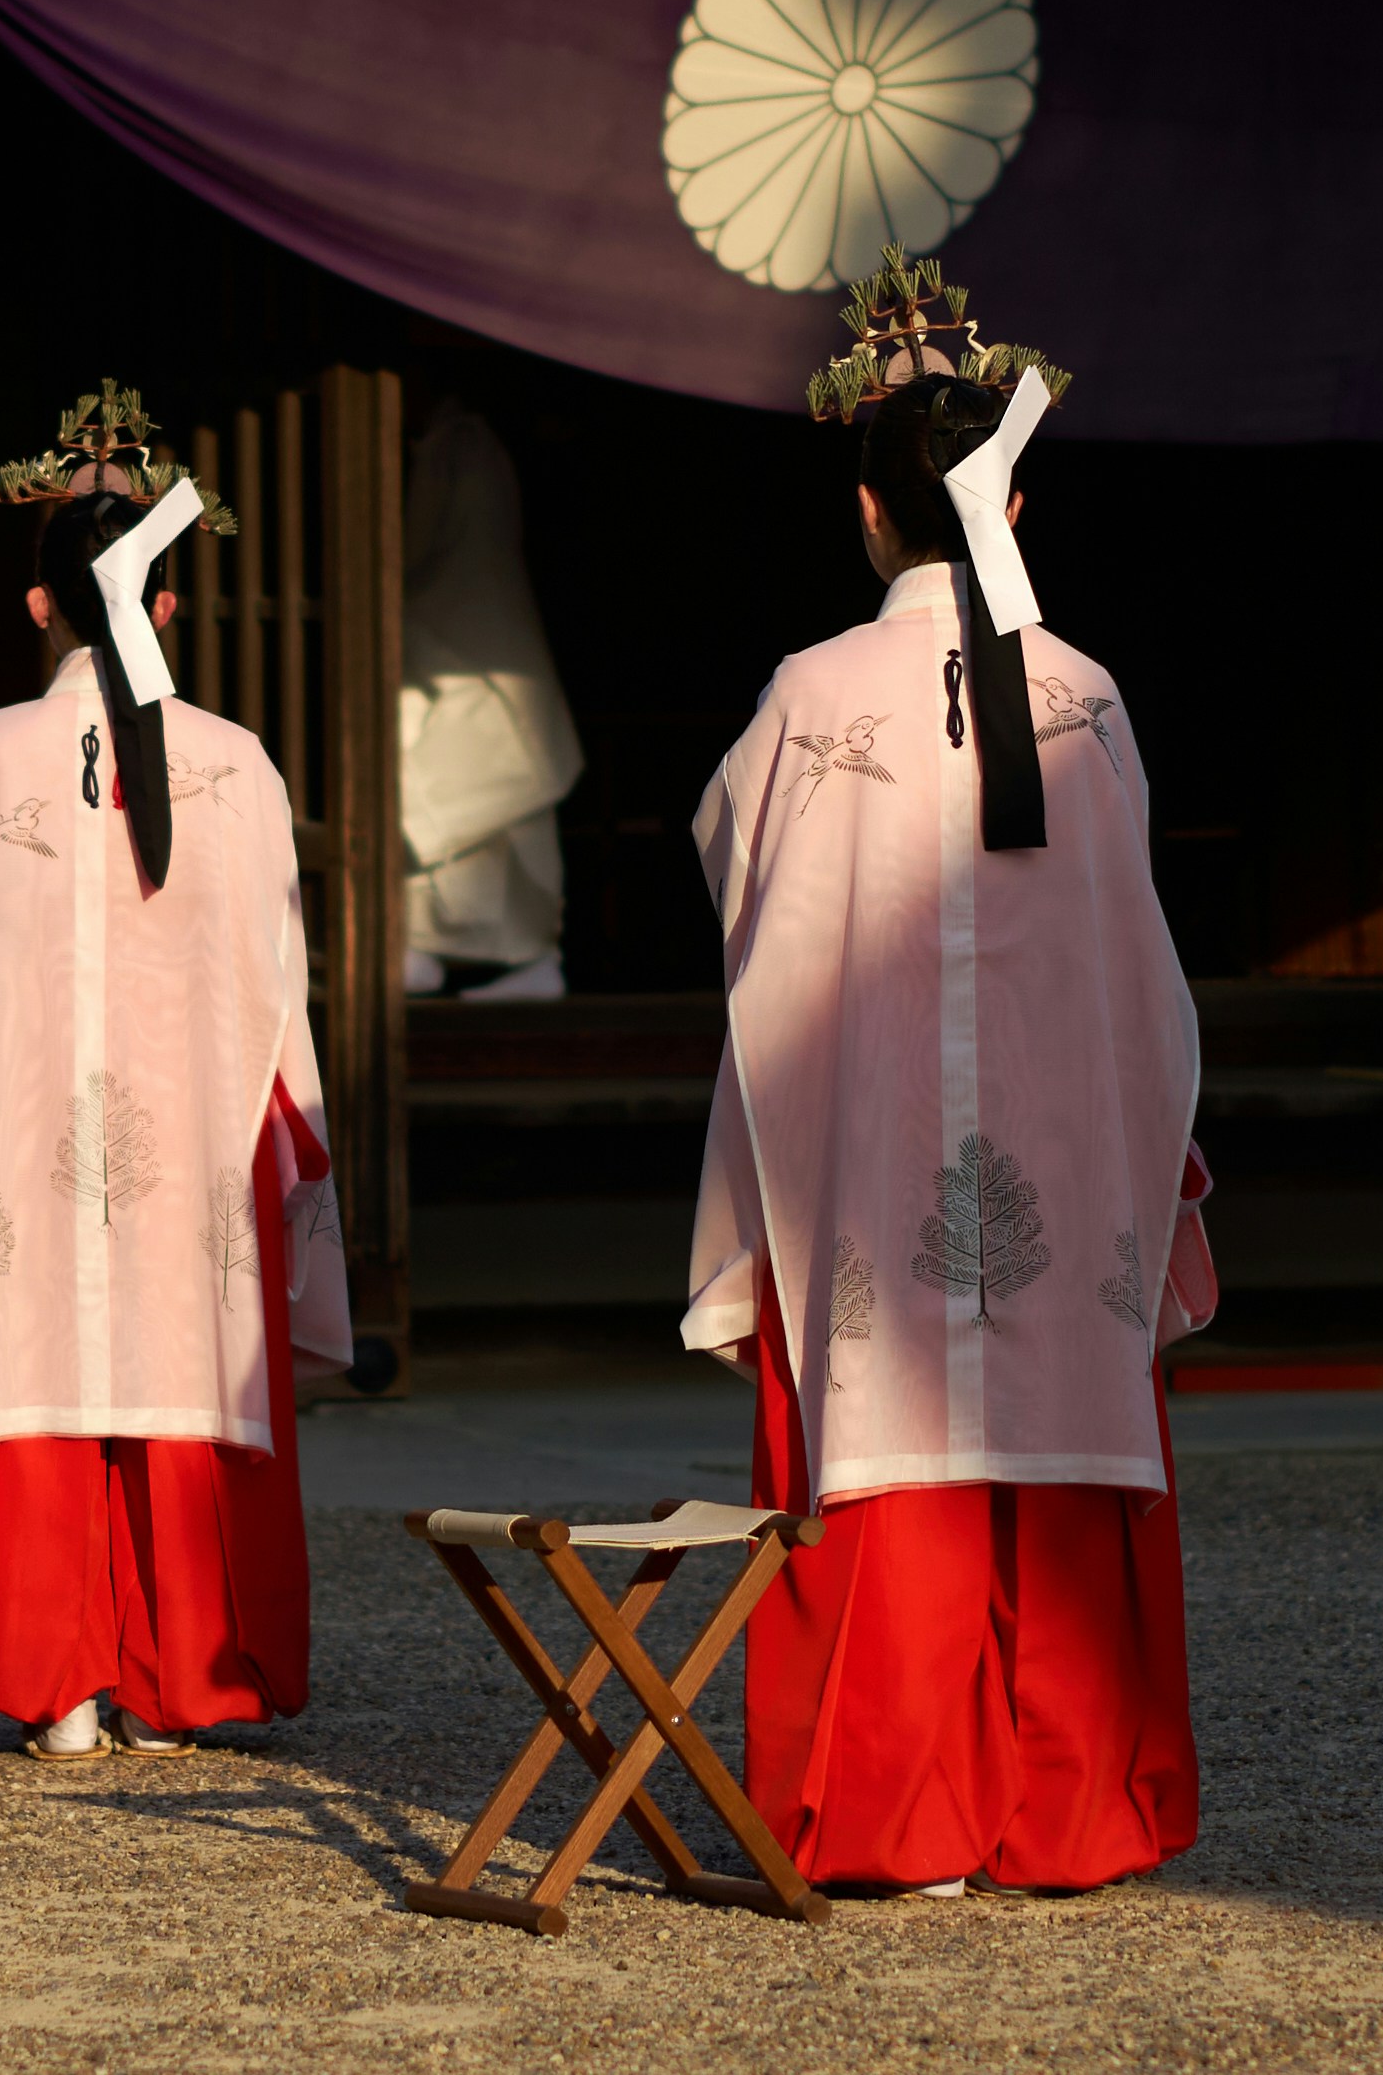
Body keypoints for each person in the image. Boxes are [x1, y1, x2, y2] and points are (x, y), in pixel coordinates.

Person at [685, 250, 1212, 1898]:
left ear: (864, 510)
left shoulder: (810, 698)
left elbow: (737, 888)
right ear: (1012, 511)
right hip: (1057, 1160)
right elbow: (1138, 966)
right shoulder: (1086, 699)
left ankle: (893, 1813)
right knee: (1051, 1395)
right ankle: (1064, 1811)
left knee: (875, 1414)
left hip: (865, 1151)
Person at [0, 381, 351, 1758]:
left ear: (40, 605)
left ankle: (49, 1675)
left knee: (30, 1345)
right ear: (168, 605)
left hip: (26, 1140)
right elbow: (278, 995)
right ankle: (176, 1675)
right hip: (189, 1151)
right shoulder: (238, 764)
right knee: (177, 1351)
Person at [397, 383, 584, 997]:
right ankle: (429, 943)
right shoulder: (452, 442)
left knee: (484, 779)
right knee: (473, 783)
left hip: (467, 624)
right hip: (457, 625)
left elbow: (438, 545)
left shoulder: (461, 444)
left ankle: (527, 957)